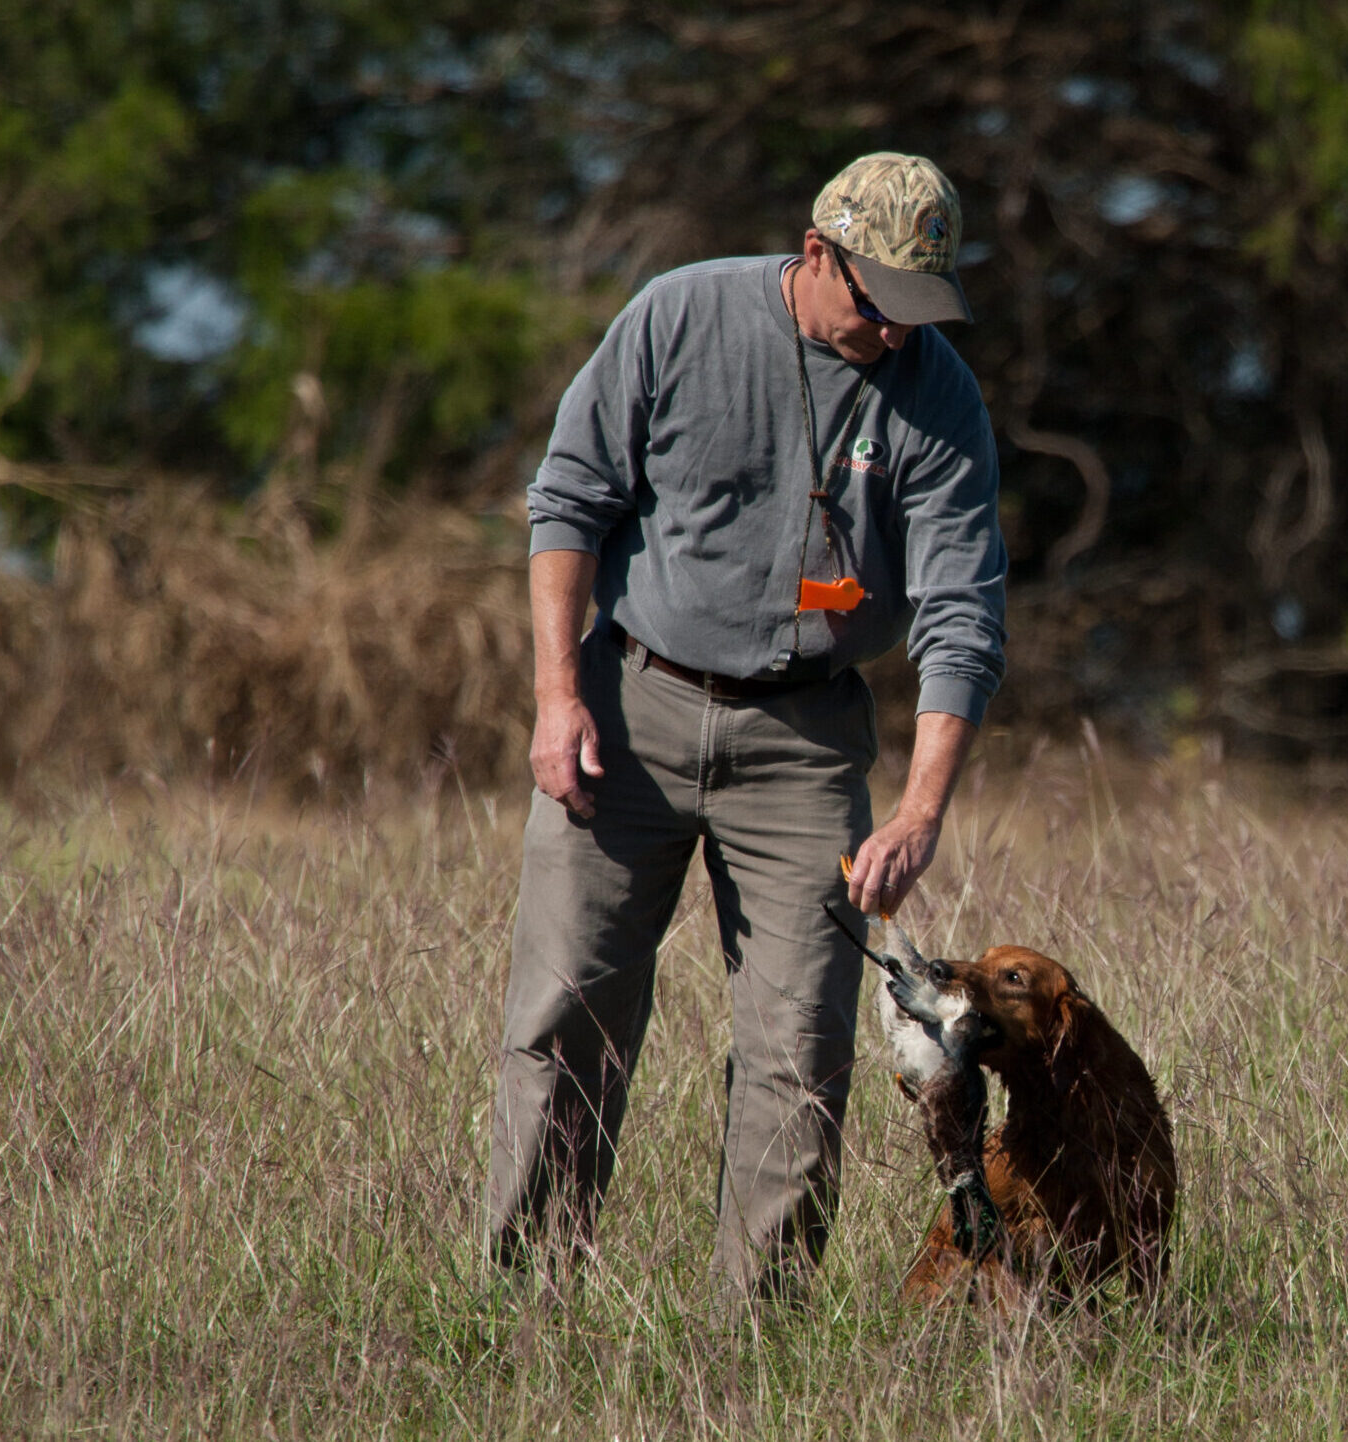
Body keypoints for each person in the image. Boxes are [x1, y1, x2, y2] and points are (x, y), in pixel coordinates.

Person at [481, 152, 1006, 1300]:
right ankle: (524, 1309)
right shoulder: (678, 316)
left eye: (922, 311)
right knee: (567, 1015)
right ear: (816, 255)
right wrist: (557, 697)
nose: (895, 336)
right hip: (630, 707)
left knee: (802, 1049)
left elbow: (962, 615)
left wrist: (919, 812)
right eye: (879, 306)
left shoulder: (937, 392)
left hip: (807, 740)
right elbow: (567, 500)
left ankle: (753, 1344)